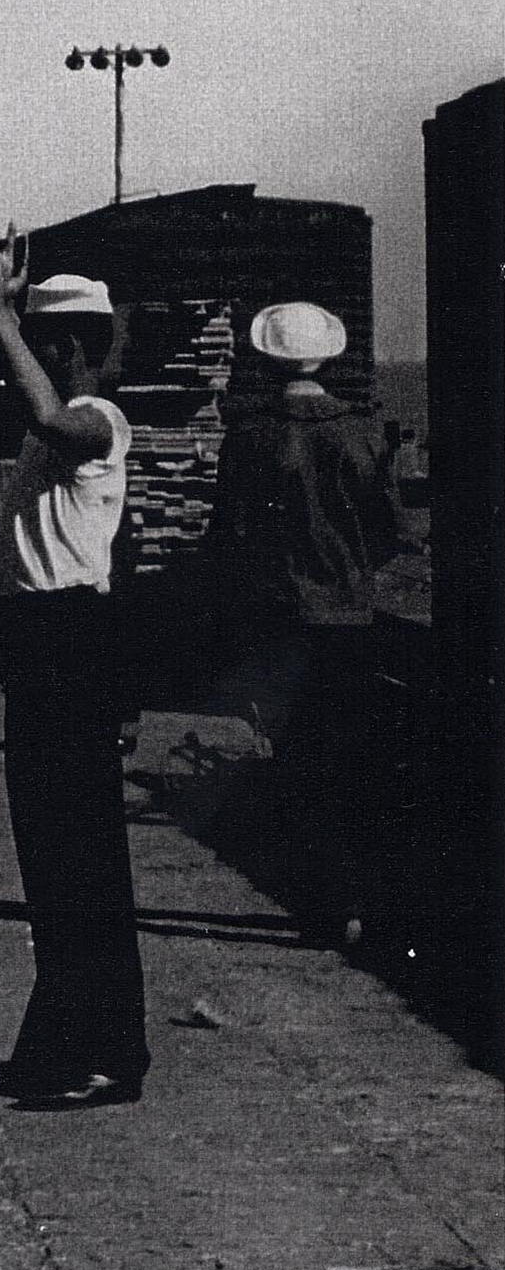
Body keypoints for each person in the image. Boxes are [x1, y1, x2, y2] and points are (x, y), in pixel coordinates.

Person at [0, 241, 149, 1108]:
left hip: (69, 644)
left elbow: (50, 419)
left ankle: (104, 1053)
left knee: (78, 857)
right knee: (51, 857)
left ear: (64, 349)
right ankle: (63, 1042)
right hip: (40, 646)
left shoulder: (96, 422)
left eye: (38, 348)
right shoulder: (56, 427)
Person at [207, 300, 405, 947]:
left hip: (280, 622)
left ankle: (317, 902)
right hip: (350, 619)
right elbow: (389, 534)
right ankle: (355, 902)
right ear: (326, 356)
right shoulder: (364, 432)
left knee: (295, 763)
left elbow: (226, 541)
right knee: (354, 760)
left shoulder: (248, 439)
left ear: (264, 360)